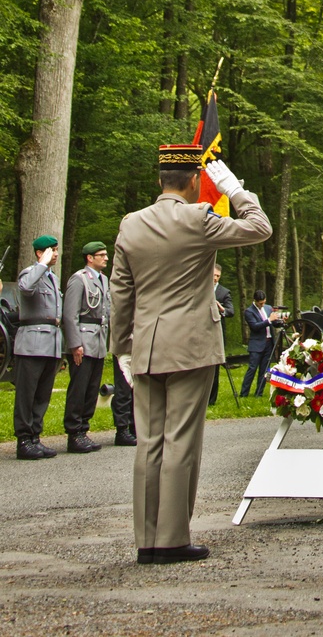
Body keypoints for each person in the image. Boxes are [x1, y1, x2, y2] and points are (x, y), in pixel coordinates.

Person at [110, 143, 271, 565]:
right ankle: (173, 539)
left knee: (150, 442)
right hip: (191, 346)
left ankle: (147, 539)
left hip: (145, 345)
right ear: (195, 181)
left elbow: (121, 293)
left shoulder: (131, 224)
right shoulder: (199, 219)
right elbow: (259, 227)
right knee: (181, 440)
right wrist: (235, 190)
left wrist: (122, 348)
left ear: (159, 180)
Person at [13, 235, 62, 460]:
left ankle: (35, 436)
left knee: (42, 394)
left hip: (50, 344)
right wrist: (41, 264)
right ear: (39, 253)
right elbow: (25, 288)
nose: (56, 254)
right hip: (31, 343)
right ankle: (23, 439)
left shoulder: (53, 278)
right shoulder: (30, 273)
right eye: (52, 250)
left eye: (56, 250)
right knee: (27, 393)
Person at [62, 241, 111, 453]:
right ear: (90, 258)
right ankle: (74, 433)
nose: (106, 258)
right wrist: (74, 344)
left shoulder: (104, 280)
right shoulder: (79, 279)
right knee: (79, 388)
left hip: (98, 342)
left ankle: (83, 428)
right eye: (101, 255)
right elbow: (70, 314)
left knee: (92, 389)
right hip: (83, 340)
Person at [208, 266, 234, 407]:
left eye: (218, 275)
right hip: (201, 332)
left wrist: (221, 309)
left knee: (215, 367)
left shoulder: (224, 292)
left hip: (217, 333)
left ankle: (212, 399)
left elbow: (231, 311)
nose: (215, 278)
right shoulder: (200, 287)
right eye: (213, 275)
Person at [240, 289, 272, 397]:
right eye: (260, 303)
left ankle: (259, 393)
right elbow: (255, 326)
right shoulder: (249, 311)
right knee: (252, 369)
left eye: (264, 302)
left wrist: (279, 320)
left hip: (268, 342)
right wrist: (269, 320)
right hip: (256, 344)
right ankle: (244, 393)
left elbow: (273, 323)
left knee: (264, 369)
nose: (262, 305)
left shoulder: (268, 308)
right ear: (255, 301)